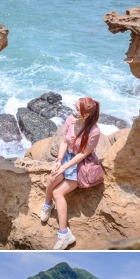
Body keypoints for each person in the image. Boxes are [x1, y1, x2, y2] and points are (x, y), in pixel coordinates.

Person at [39, 97, 101, 250]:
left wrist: (65, 167)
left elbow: (84, 154)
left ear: (86, 115)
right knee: (52, 177)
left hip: (80, 164)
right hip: (66, 157)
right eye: (74, 106)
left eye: (77, 108)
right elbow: (65, 142)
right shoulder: (69, 120)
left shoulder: (94, 131)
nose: (73, 110)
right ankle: (47, 204)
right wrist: (59, 161)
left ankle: (64, 234)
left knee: (58, 193)